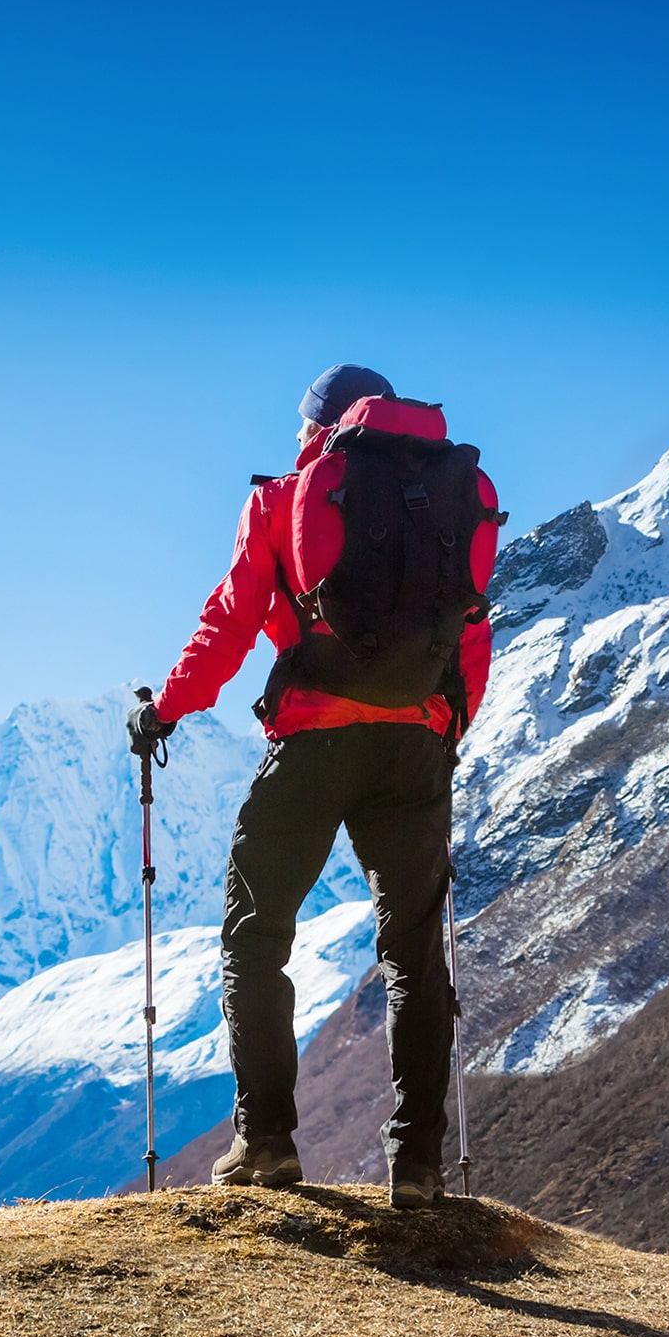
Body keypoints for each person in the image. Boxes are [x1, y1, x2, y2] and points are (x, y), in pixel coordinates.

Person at [129, 362, 499, 1209]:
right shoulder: (453, 499)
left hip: (313, 741)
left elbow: (229, 617)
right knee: (411, 953)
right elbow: (467, 630)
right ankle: (417, 1166)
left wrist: (168, 712)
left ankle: (264, 1147)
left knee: (256, 940)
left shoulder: (284, 501)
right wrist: (443, 731)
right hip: (413, 746)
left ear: (318, 426)